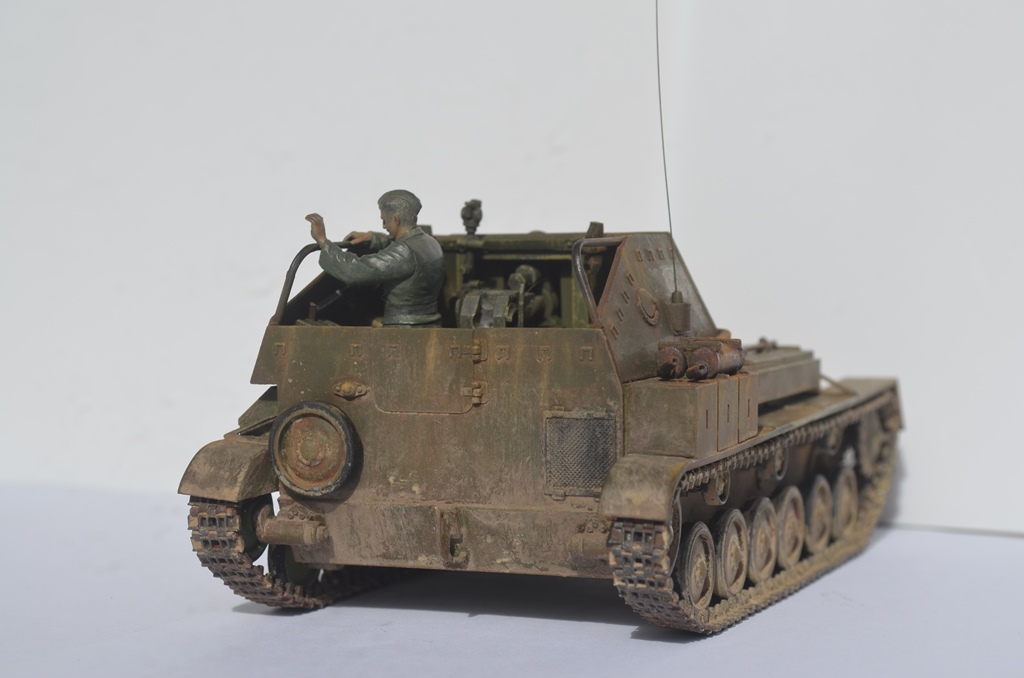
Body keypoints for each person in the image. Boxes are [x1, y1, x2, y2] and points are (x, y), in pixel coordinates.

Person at [305, 190, 444, 327]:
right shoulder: (430, 242)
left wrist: (323, 241)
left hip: (402, 330)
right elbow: (405, 250)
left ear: (396, 219)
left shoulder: (404, 251)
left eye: (385, 220)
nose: (384, 226)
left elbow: (355, 270)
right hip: (429, 323)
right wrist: (373, 238)